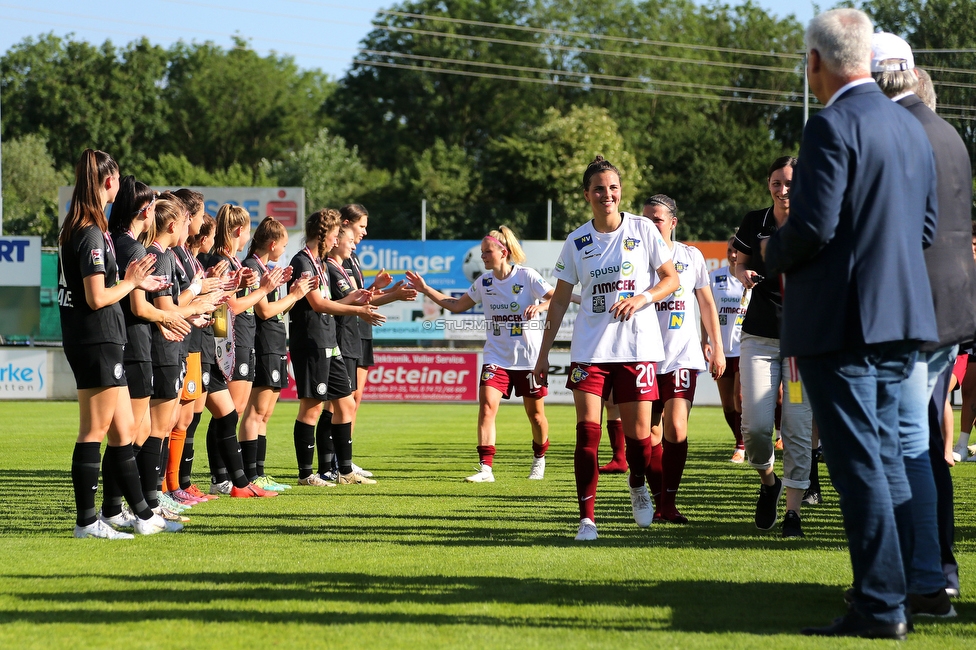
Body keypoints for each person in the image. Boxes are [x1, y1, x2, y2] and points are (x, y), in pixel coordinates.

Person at [763, 8, 939, 639]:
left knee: (860, 463)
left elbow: (813, 226)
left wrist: (770, 254)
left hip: (842, 324)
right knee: (890, 458)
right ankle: (906, 586)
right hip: (902, 317)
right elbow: (924, 229)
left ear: (815, 61)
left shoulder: (830, 125)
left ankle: (880, 603)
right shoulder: (910, 126)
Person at [873, 31, 976, 611]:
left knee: (906, 447)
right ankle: (935, 571)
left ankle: (925, 577)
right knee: (919, 444)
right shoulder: (946, 131)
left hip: (912, 313)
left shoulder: (901, 133)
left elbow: (902, 231)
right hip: (946, 310)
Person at [533, 155, 679, 541]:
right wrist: (544, 352)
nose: (607, 194)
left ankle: (636, 484)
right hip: (590, 352)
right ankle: (587, 519)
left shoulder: (643, 229)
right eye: (599, 189)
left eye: (613, 187)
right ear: (587, 195)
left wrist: (643, 298)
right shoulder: (577, 240)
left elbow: (670, 279)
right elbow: (561, 301)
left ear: (620, 191)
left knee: (640, 443)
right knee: (587, 435)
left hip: (636, 349)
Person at [58, 149, 180, 538]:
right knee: (94, 430)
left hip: (108, 339)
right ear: (108, 182)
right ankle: (86, 522)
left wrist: (135, 282)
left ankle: (138, 515)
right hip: (96, 338)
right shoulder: (90, 232)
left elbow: (103, 287)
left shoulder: (92, 228)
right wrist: (129, 283)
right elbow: (95, 297)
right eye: (117, 179)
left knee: (123, 432)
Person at [407, 226, 556, 482]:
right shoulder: (484, 282)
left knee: (536, 416)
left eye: (487, 252)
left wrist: (540, 306)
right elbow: (455, 305)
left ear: (503, 252)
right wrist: (425, 289)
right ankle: (486, 469)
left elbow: (557, 298)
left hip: (529, 360)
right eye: (482, 252)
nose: (483, 257)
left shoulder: (527, 276)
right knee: (487, 407)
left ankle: (539, 459)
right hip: (496, 357)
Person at [733, 156, 814, 538]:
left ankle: (793, 514)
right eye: (777, 183)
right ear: (769, 185)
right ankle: (769, 483)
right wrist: (742, 273)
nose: (783, 190)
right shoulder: (755, 221)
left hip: (800, 347)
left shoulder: (816, 221)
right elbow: (738, 262)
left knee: (797, 426)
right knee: (756, 427)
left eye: (790, 183)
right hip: (760, 340)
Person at [642, 194, 725, 523]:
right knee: (648, 436)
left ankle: (668, 504)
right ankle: (660, 499)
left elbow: (706, 304)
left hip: (681, 357)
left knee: (676, 428)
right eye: (646, 219)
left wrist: (716, 346)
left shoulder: (690, 256)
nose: (651, 224)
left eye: (657, 219)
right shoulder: (634, 258)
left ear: (673, 222)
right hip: (643, 358)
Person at [287, 208, 384, 487]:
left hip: (330, 341)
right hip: (311, 341)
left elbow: (332, 299)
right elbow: (317, 303)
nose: (335, 240)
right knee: (312, 408)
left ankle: (345, 470)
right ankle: (306, 475)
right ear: (324, 235)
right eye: (333, 235)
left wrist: (359, 298)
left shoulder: (318, 262)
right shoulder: (303, 261)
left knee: (346, 403)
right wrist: (357, 310)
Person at [335, 204, 417, 479]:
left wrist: (382, 289)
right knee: (341, 400)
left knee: (356, 398)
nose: (364, 232)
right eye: (361, 226)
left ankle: (345, 457)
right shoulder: (338, 256)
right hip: (347, 330)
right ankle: (335, 460)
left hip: (361, 329)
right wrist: (391, 295)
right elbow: (350, 300)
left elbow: (361, 296)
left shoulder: (353, 258)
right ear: (345, 223)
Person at [240, 217, 314, 489]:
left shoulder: (264, 268)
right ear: (272, 245)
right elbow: (265, 311)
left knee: (266, 414)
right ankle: (250, 474)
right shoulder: (252, 267)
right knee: (255, 412)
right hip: (262, 345)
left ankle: (259, 472)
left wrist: (291, 293)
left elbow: (276, 309)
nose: (284, 251)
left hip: (274, 344)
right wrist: (295, 295)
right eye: (283, 246)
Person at [705, 237, 748, 462]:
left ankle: (741, 446)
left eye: (737, 251)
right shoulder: (714, 277)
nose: (733, 255)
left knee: (739, 397)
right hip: (721, 350)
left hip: (745, 347)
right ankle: (740, 439)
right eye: (730, 250)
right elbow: (706, 313)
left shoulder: (750, 277)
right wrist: (706, 341)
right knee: (727, 403)